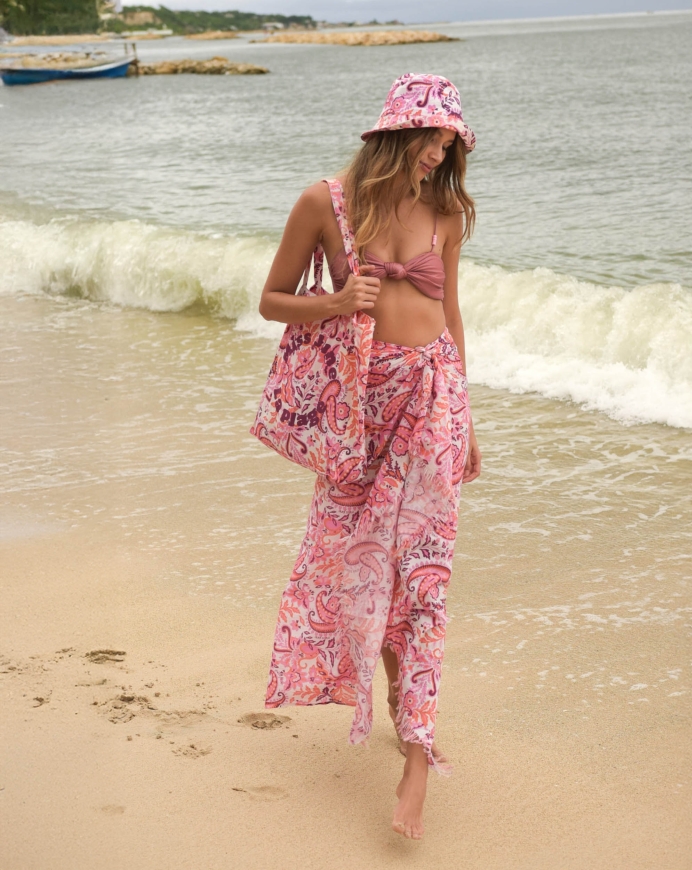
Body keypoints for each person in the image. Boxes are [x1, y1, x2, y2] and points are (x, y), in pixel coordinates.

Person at [257, 72, 481, 841]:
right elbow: (272, 298)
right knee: (358, 569)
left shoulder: (445, 213)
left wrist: (469, 420)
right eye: (432, 139)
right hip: (358, 415)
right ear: (397, 133)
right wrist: (331, 302)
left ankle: (416, 749)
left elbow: (450, 315)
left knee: (423, 576)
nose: (439, 155)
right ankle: (397, 706)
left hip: (432, 407)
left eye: (449, 143)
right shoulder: (327, 203)